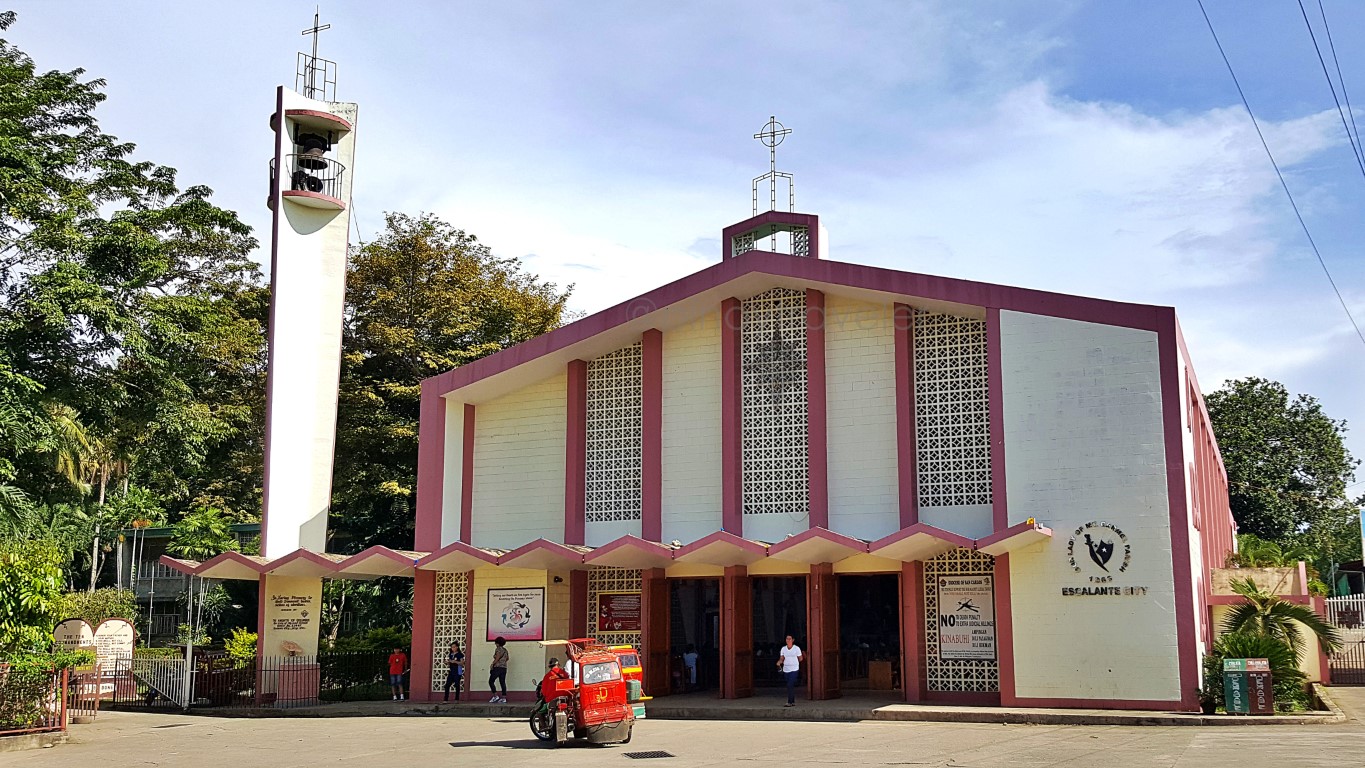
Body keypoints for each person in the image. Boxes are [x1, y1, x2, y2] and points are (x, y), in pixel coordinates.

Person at [776, 635, 803, 707]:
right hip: (786, 669)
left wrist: (794, 661)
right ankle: (792, 701)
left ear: (793, 640)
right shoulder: (783, 649)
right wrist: (779, 662)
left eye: (789, 639)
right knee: (789, 685)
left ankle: (789, 701)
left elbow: (800, 658)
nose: (788, 640)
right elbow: (782, 658)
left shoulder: (796, 648)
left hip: (794, 669)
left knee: (790, 684)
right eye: (787, 639)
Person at [489, 636, 509, 703]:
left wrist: (492, 664)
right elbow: (507, 658)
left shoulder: (498, 649)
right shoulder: (505, 650)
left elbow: (497, 658)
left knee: (491, 681)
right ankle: (504, 698)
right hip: (504, 668)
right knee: (502, 682)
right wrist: (503, 662)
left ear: (497, 643)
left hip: (497, 667)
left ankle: (495, 696)